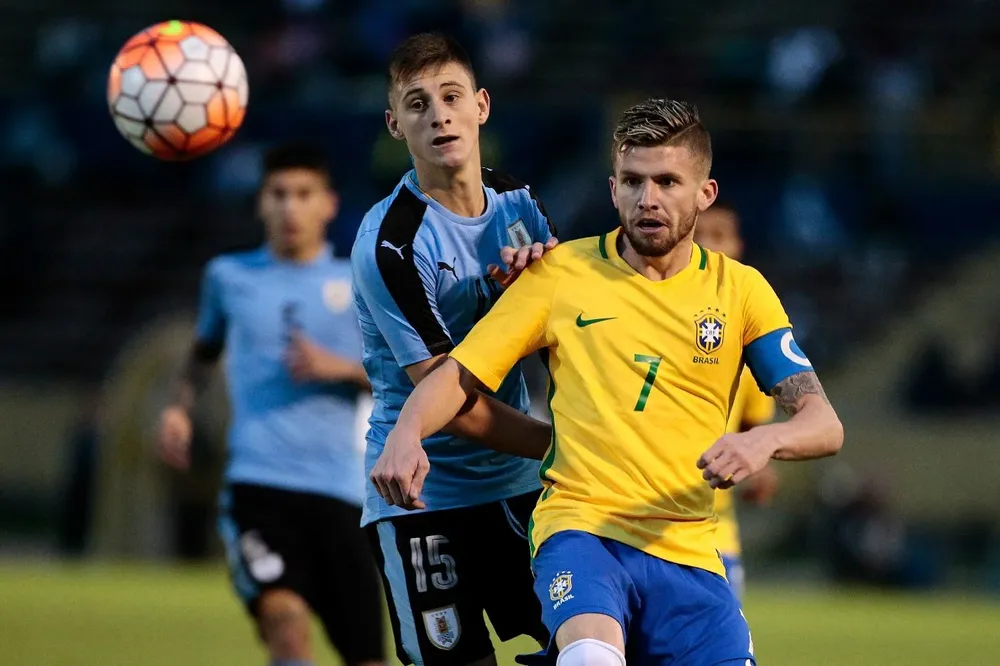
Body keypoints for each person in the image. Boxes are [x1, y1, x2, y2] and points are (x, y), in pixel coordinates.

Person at [373, 98, 845, 666]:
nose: (648, 199)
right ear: (612, 188)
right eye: (633, 181)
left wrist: (763, 439)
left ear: (705, 194)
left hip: (690, 549)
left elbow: (824, 424)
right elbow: (455, 378)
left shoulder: (741, 292)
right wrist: (407, 432)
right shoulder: (558, 274)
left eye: (668, 181)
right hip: (582, 533)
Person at [352, 32, 555, 666]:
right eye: (416, 104)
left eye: (451, 96)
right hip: (423, 501)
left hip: (521, 493)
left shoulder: (520, 206)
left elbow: (569, 339)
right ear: (395, 125)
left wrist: (544, 297)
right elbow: (448, 398)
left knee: (588, 646)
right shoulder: (390, 242)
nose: (437, 114)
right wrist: (562, 447)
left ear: (481, 106)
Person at [155, 143, 385, 666]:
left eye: (303, 195)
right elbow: (202, 353)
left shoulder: (358, 283)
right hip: (258, 486)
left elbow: (401, 382)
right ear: (260, 202)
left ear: (328, 204)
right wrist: (178, 408)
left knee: (368, 658)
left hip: (341, 492)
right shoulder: (228, 277)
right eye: (278, 194)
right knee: (284, 620)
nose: (289, 208)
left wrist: (340, 368)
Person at [693, 201, 780, 597]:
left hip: (716, 533)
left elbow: (754, 434)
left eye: (719, 236)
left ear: (738, 246)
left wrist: (758, 473)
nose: (710, 246)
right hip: (638, 525)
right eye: (699, 236)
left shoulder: (748, 341)